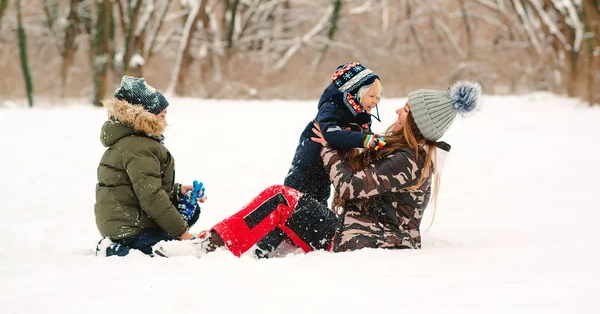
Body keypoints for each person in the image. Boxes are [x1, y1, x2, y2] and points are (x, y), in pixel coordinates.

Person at [153, 80, 482, 258]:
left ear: (417, 121)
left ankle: (209, 247)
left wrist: (327, 148)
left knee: (281, 198)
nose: (396, 109)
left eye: (406, 109)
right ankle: (247, 247)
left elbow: (351, 187)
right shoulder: (405, 152)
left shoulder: (409, 159)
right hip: (355, 232)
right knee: (288, 198)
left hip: (360, 240)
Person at [255, 62, 385, 258]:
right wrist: (365, 139)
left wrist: (367, 137)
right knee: (291, 205)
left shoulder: (360, 114)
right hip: (305, 168)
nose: (376, 101)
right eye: (372, 95)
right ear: (355, 91)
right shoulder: (331, 108)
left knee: (317, 205)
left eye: (379, 97)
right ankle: (266, 244)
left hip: (324, 172)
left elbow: (361, 135)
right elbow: (331, 134)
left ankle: (307, 238)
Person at [94, 76, 206, 257]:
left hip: (127, 221)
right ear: (145, 116)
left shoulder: (134, 144)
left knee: (191, 214)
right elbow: (151, 197)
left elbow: (139, 186)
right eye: (162, 116)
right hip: (130, 229)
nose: (166, 122)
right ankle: (114, 250)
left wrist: (178, 191)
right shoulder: (139, 148)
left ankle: (150, 238)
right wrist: (184, 235)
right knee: (174, 252)